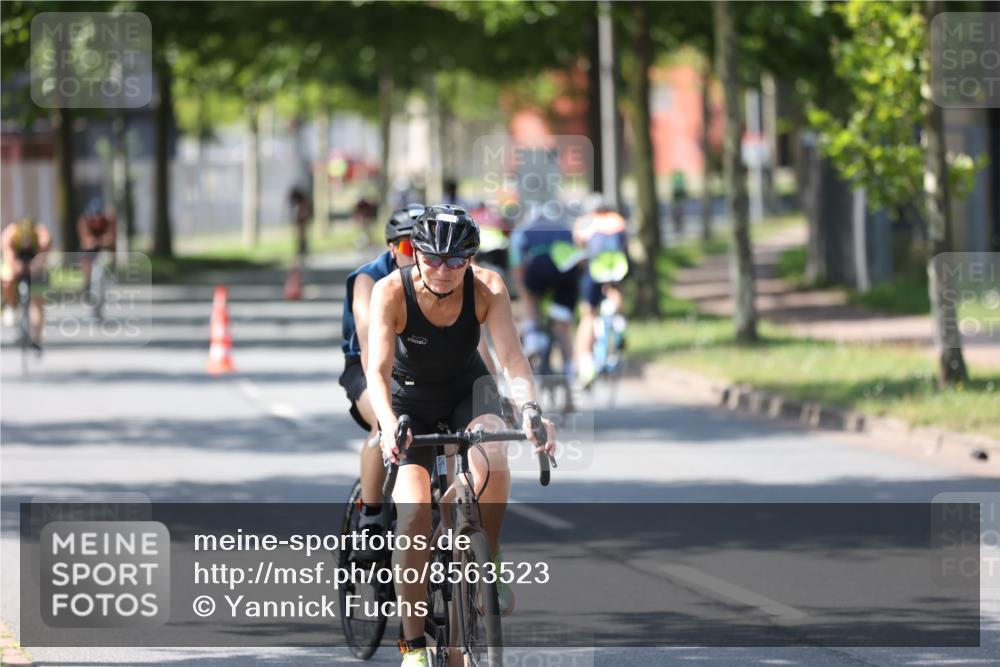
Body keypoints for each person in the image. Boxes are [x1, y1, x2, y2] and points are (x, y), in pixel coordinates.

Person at [366, 205, 556, 667]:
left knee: (491, 454)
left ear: (470, 258)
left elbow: (511, 359)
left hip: (468, 391)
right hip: (410, 403)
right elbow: (376, 371)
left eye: (458, 260)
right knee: (413, 518)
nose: (445, 270)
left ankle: (486, 558)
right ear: (416, 254)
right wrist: (390, 426)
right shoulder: (390, 291)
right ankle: (413, 646)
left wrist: (530, 408)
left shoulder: (487, 287)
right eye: (433, 259)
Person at [339, 204, 422, 559]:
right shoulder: (369, 279)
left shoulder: (436, 277)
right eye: (407, 247)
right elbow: (369, 337)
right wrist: (387, 392)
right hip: (367, 367)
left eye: (424, 245)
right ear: (392, 248)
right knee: (383, 419)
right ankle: (370, 516)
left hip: (422, 369)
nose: (417, 255)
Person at [508, 211, 585, 379]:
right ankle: (571, 371)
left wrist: (523, 290)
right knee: (562, 328)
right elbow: (578, 257)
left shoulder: (522, 230)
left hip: (539, 268)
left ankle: (533, 335)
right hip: (565, 273)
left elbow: (517, 266)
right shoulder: (564, 228)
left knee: (529, 297)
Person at [573, 195, 630, 387]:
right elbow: (625, 245)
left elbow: (579, 247)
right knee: (614, 291)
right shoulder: (618, 220)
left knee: (588, 314)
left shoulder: (586, 221)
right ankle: (620, 323)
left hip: (595, 269)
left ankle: (586, 367)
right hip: (617, 267)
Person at [1, 217, 52, 347]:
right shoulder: (9, 235)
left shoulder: (42, 235)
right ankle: (11, 306)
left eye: (28, 240)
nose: (26, 243)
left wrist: (33, 267)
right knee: (7, 278)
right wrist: (17, 266)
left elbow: (42, 257)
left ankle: (37, 337)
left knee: (38, 301)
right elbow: (8, 256)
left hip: (35, 265)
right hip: (16, 262)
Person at [76, 199, 116, 292]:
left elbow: (111, 238)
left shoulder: (109, 220)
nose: (96, 221)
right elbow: (85, 240)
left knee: (110, 255)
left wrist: (101, 241)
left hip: (104, 246)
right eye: (93, 218)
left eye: (98, 217)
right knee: (84, 257)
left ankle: (112, 275)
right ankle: (87, 283)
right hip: (90, 247)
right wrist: (98, 241)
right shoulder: (83, 220)